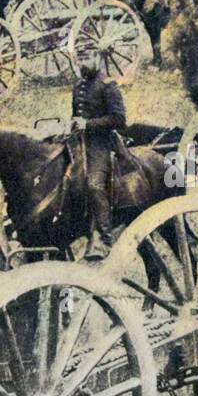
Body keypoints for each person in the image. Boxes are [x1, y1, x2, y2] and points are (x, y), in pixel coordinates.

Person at [70, 47, 128, 260]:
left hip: (101, 144)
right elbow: (75, 115)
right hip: (78, 143)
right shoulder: (78, 86)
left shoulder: (108, 86)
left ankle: (105, 237)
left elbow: (119, 120)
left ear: (97, 59)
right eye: (81, 58)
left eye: (87, 57)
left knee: (94, 185)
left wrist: (89, 124)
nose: (84, 62)